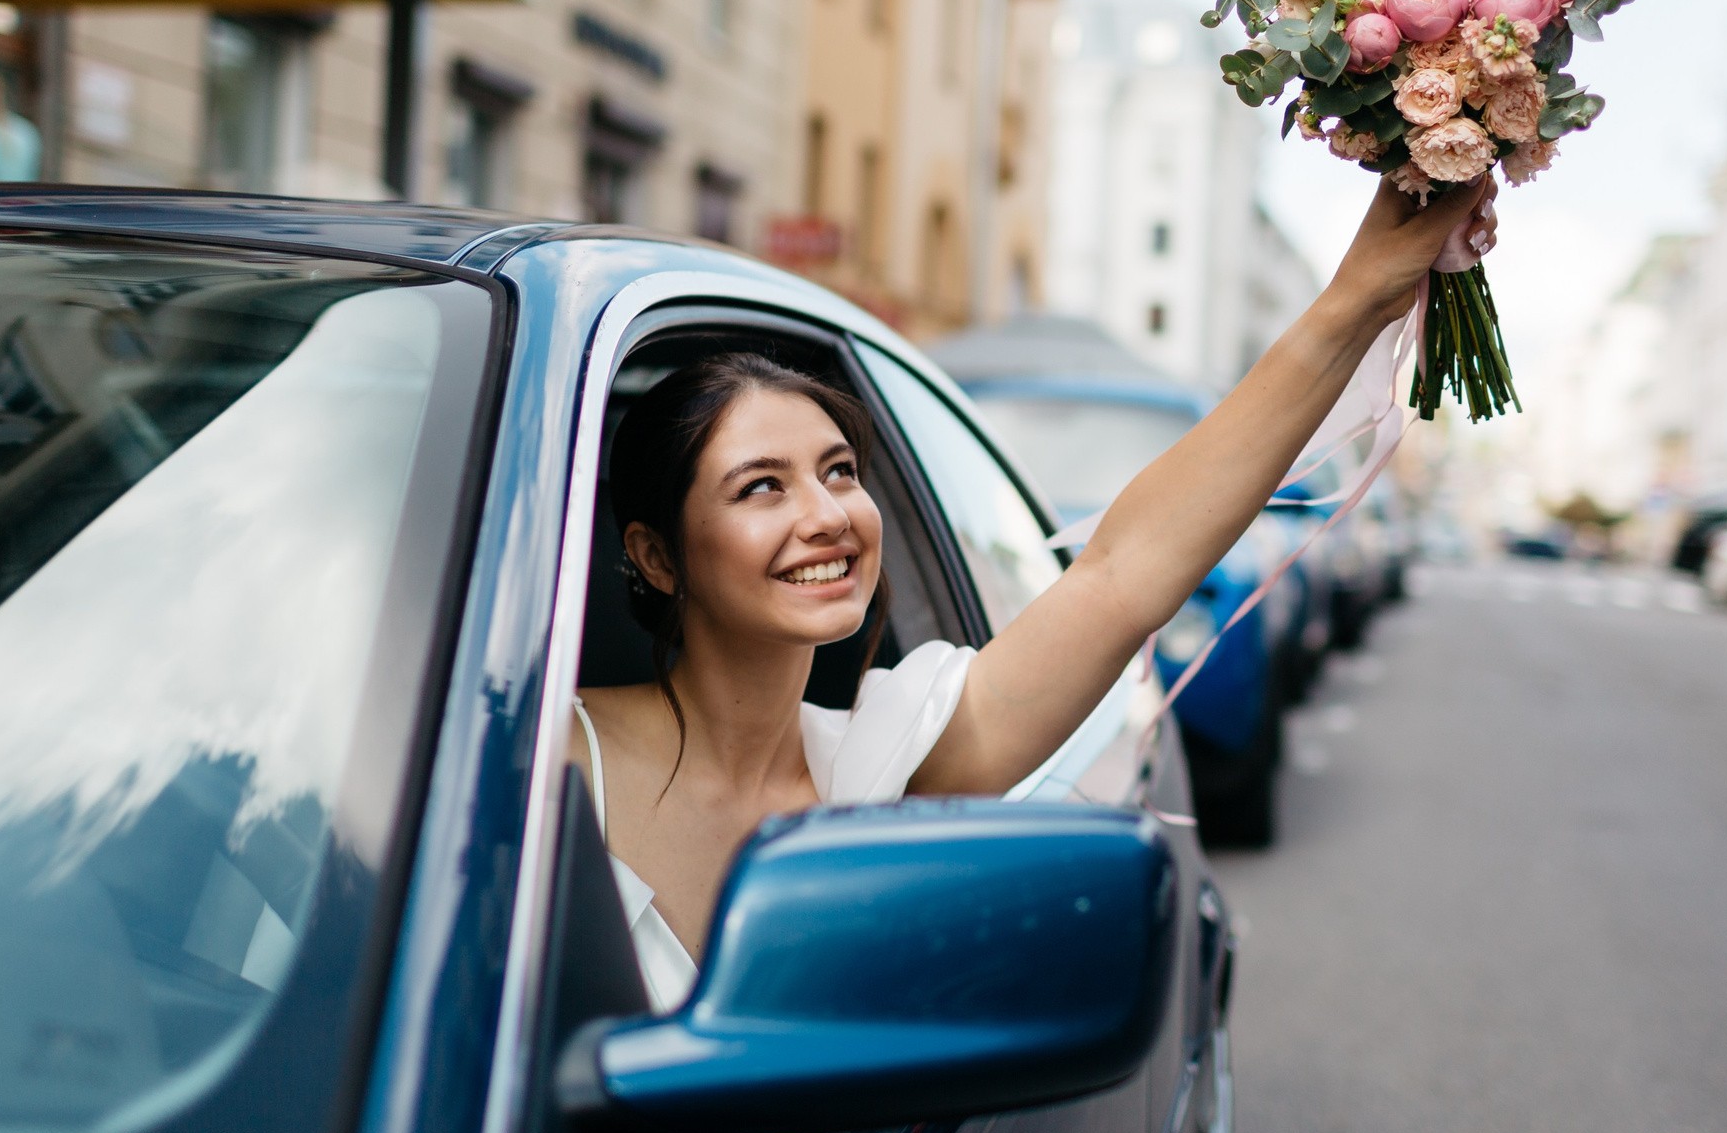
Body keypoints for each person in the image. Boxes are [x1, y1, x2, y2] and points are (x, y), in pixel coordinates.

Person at [575, 174, 1496, 1012]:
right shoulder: (547, 758)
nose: (829, 515)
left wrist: (1360, 293)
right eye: (762, 486)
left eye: (842, 470)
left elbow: (1119, 573)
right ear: (655, 556)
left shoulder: (880, 763)